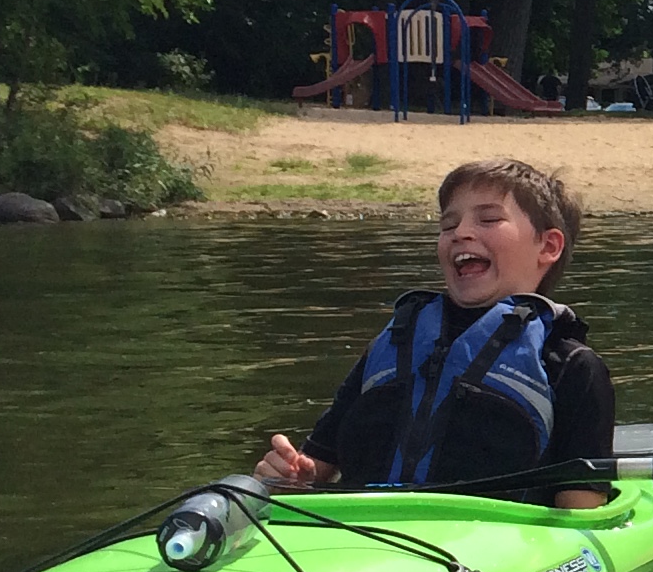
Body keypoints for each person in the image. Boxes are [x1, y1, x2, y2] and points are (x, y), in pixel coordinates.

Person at [257, 160, 615, 506]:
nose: (460, 233)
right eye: (447, 226)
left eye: (489, 219)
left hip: (493, 551)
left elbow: (580, 514)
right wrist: (292, 476)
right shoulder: (393, 345)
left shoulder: (572, 367)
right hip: (363, 536)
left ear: (548, 246)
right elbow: (316, 468)